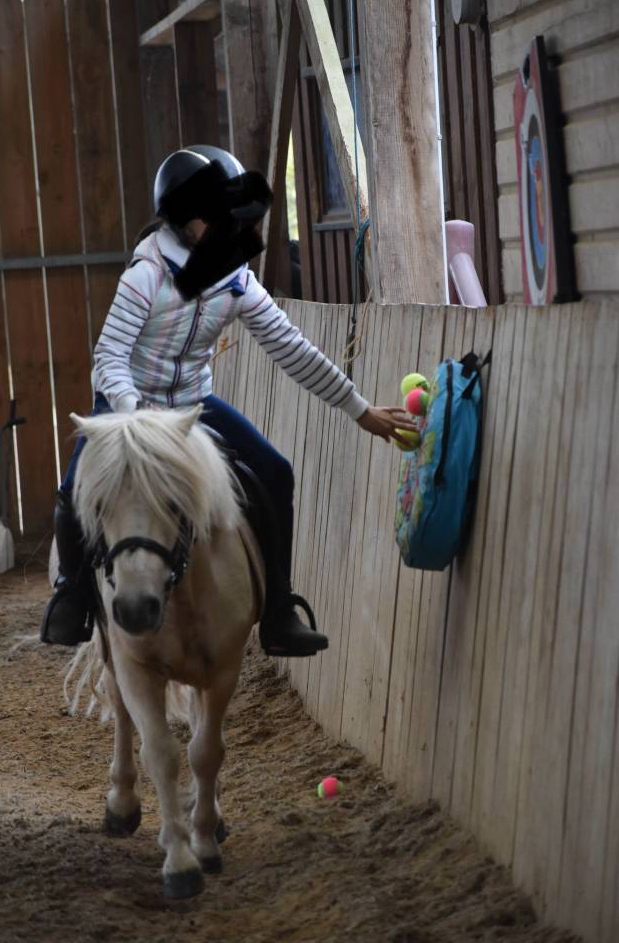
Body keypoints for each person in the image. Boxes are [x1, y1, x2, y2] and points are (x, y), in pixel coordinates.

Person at [41, 144, 414, 657]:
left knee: (276, 471)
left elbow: (290, 347)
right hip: (127, 409)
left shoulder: (235, 279)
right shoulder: (145, 275)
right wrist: (136, 418)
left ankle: (279, 609)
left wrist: (359, 408)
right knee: (73, 488)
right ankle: (73, 597)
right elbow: (108, 358)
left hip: (194, 404)